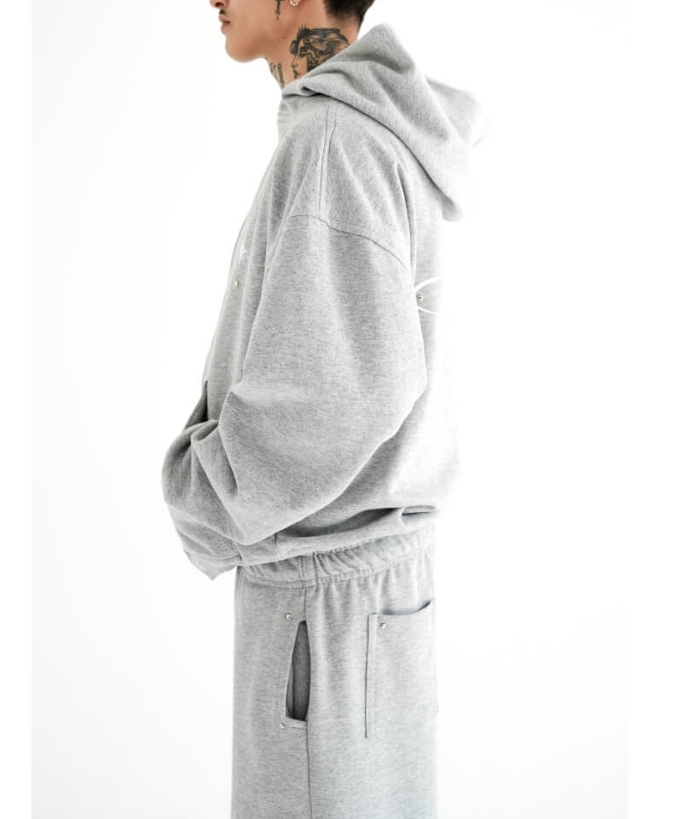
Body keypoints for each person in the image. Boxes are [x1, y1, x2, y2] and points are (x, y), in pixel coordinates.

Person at [160, 2, 487, 816]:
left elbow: (337, 394)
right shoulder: (373, 133)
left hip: (325, 611)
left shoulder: (335, 142)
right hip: (370, 597)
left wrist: (201, 497)